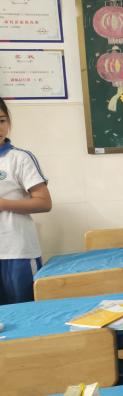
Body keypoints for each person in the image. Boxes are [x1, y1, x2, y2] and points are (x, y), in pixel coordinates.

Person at [0, 97, 52, 305]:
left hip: (16, 251)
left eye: (2, 120)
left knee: (25, 312)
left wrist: (3, 204)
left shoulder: (20, 158)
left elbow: (44, 202)